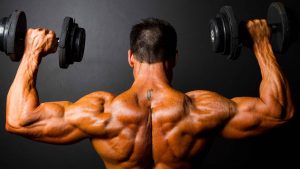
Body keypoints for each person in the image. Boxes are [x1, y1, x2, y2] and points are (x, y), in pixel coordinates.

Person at [5, 18, 294, 169]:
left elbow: (19, 119)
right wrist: (261, 43)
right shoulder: (202, 109)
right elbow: (279, 111)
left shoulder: (102, 113)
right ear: (175, 57)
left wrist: (32, 52)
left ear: (131, 57)